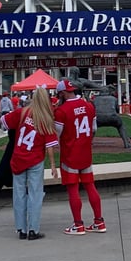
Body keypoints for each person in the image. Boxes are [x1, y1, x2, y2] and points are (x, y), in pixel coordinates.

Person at [0, 86, 59, 240]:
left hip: (18, 157)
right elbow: (50, 146)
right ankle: (33, 229)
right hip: (35, 159)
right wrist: (53, 165)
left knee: (19, 194)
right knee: (35, 194)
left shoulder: (22, 112)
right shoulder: (46, 118)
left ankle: (21, 229)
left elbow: (3, 122)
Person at [53, 79, 106, 235]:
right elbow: (94, 129)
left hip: (70, 153)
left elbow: (57, 134)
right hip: (85, 152)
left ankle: (78, 224)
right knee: (90, 185)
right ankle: (99, 221)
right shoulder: (89, 106)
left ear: (62, 93)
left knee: (73, 189)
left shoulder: (61, 111)